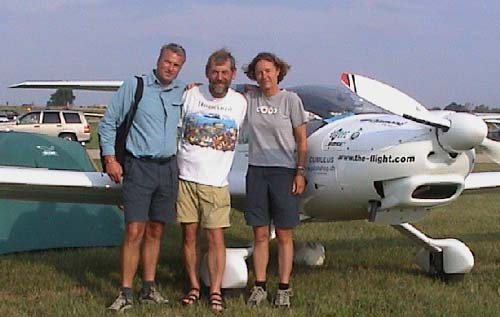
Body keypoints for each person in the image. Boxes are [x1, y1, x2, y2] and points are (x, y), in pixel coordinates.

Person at [99, 43, 186, 313]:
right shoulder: (135, 86)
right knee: (134, 230)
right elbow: (109, 123)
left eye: (176, 65)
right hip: (139, 167)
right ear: (158, 61)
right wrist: (110, 158)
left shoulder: (182, 92)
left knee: (156, 230)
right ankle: (125, 291)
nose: (170, 68)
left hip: (168, 168)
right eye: (167, 62)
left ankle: (149, 287)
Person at [176, 49, 247, 313]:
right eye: (215, 73)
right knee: (189, 236)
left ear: (232, 75)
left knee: (216, 238)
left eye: (224, 73)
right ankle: (194, 286)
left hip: (217, 182)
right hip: (186, 178)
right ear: (207, 73)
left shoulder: (241, 102)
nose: (219, 78)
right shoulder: (190, 95)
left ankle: (215, 290)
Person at [242, 52, 308, 308]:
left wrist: (299, 172)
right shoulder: (250, 98)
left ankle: (283, 287)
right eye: (259, 72)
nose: (264, 76)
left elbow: (301, 141)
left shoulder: (291, 100)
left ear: (278, 71)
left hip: (284, 171)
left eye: (268, 70)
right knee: (259, 233)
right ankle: (259, 286)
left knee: (283, 233)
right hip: (257, 170)